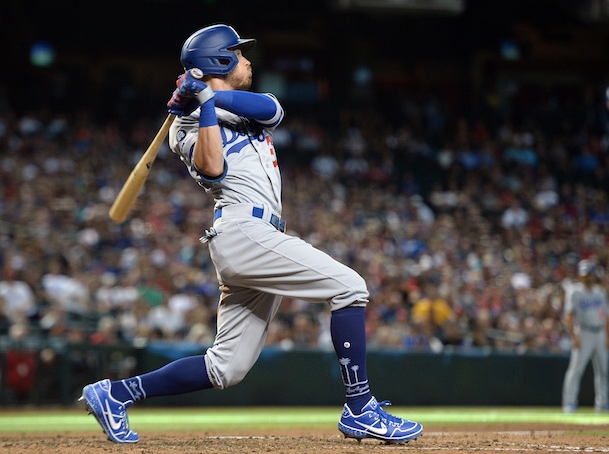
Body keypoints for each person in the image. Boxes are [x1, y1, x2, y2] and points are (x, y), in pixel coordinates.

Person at [79, 23, 423, 444]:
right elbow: (213, 168)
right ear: (218, 60)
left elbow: (273, 110)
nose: (246, 60)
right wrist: (201, 105)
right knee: (350, 287)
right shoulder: (182, 127)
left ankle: (115, 394)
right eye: (238, 54)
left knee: (226, 368)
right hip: (243, 230)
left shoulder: (242, 104)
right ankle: (360, 407)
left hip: (257, 234)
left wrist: (208, 94)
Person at [562, 259, 609, 413]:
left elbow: (606, 317)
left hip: (600, 332)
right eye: (585, 274)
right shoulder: (574, 291)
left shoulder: (600, 292)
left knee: (604, 370)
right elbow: (568, 316)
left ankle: (602, 404)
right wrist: (574, 336)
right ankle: (569, 403)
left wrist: (607, 336)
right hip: (584, 331)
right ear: (581, 275)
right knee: (576, 369)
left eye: (589, 273)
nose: (587, 277)